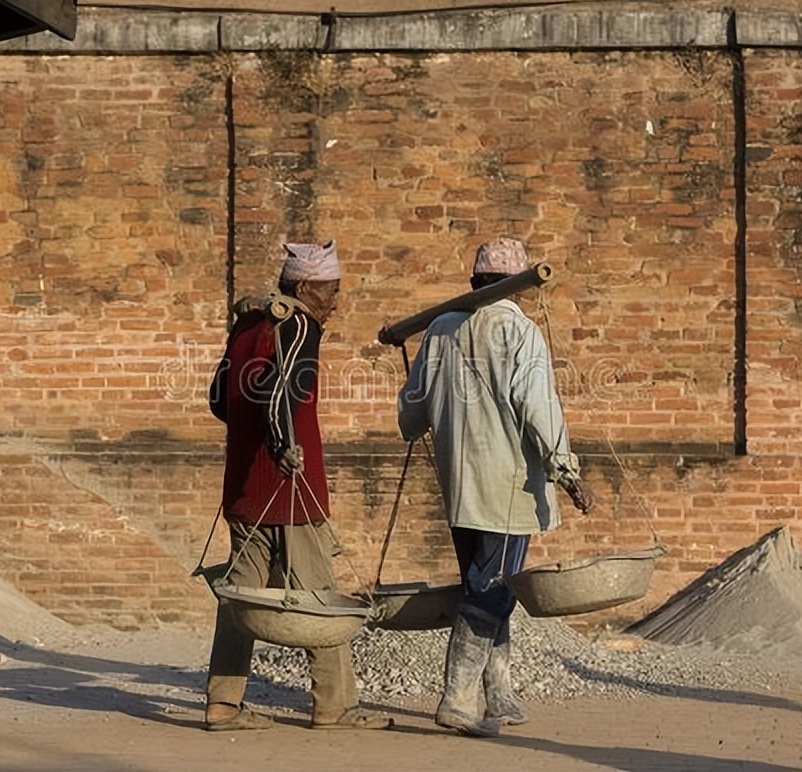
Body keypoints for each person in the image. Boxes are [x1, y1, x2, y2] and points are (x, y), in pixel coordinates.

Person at [397, 236, 595, 738]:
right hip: (508, 486)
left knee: (484, 584)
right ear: (518, 286)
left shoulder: (440, 329)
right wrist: (567, 470)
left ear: (473, 283)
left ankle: (498, 692)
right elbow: (539, 409)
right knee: (492, 588)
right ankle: (458, 699)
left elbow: (411, 412)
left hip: (459, 484)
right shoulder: (518, 331)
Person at [205, 240, 392, 732]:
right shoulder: (300, 324)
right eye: (332, 289)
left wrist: (255, 433)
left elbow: (220, 398)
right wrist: (283, 442)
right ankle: (335, 705)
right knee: (318, 596)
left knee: (240, 598)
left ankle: (223, 704)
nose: (337, 300)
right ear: (307, 286)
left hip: (244, 487)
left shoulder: (247, 324)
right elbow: (278, 389)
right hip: (291, 488)